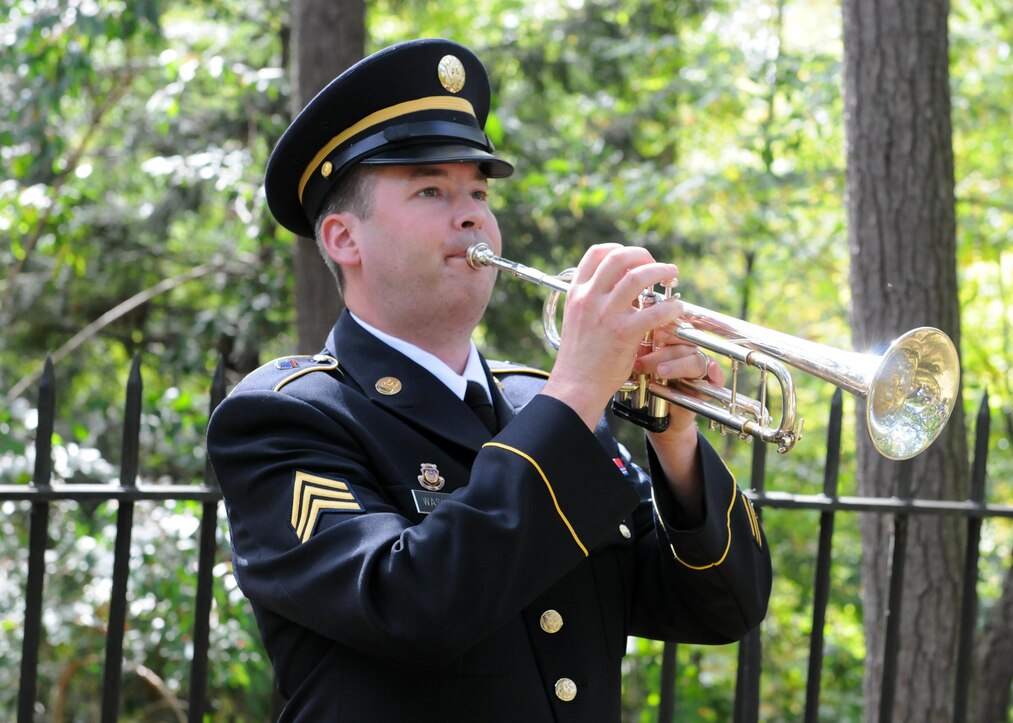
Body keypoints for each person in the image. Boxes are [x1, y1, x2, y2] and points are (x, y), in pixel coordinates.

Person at [207, 38, 771, 721]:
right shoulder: (285, 419)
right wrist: (578, 390)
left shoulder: (543, 407)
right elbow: (412, 603)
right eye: (431, 189)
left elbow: (723, 608)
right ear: (343, 240)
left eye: (478, 189)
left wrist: (676, 442)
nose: (472, 211)